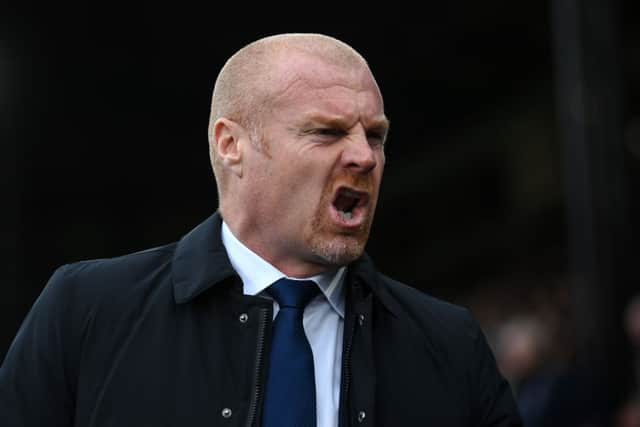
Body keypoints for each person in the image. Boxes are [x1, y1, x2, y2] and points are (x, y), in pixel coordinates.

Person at [0, 33, 521, 426]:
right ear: (231, 145)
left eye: (376, 135)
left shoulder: (450, 345)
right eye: (326, 131)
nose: (365, 155)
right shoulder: (88, 311)